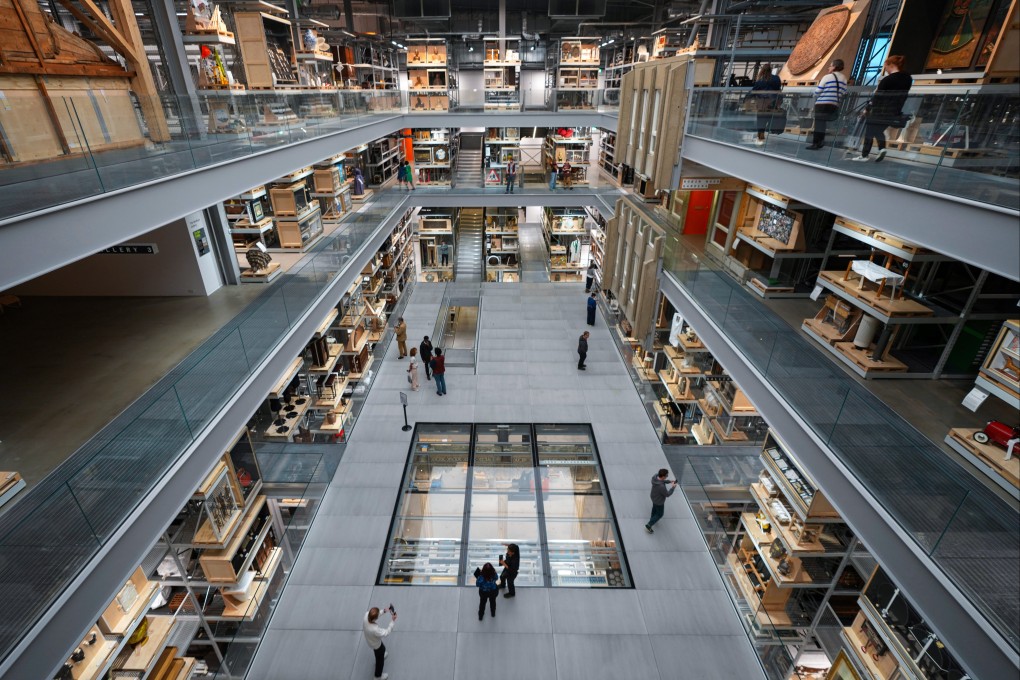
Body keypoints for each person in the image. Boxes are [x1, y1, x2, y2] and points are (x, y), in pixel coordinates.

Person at [852, 55, 912, 163]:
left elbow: (877, 97)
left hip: (880, 110)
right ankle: (882, 149)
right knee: (878, 130)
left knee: (870, 131)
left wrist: (867, 108)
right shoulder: (907, 79)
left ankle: (865, 155)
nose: (886, 70)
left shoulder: (887, 80)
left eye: (886, 67)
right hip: (894, 111)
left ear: (891, 65)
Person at [806, 59, 847, 150]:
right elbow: (844, 92)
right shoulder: (844, 78)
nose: (829, 67)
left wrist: (814, 94)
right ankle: (821, 142)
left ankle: (816, 143)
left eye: (830, 65)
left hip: (822, 104)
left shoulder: (827, 77)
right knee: (823, 124)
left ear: (834, 67)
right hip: (834, 104)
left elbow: (818, 91)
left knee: (819, 124)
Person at [749, 64, 782, 146]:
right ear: (770, 70)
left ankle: (760, 139)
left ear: (762, 70)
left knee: (761, 123)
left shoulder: (760, 80)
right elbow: (779, 90)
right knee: (769, 120)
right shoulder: (776, 79)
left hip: (762, 105)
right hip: (773, 104)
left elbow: (753, 92)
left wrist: (747, 99)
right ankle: (764, 136)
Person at [363, 606, 397, 680]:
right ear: (374, 619)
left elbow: (374, 616)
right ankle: (377, 676)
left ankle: (381, 655)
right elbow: (386, 632)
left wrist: (384, 611)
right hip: (376, 644)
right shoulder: (375, 629)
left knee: (381, 649)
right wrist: (392, 621)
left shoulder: (366, 615)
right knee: (380, 661)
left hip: (371, 640)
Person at [645, 468, 677, 534]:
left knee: (654, 508)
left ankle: (652, 519)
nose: (667, 476)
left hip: (653, 497)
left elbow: (661, 480)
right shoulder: (661, 486)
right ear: (663, 476)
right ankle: (649, 525)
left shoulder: (655, 477)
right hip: (659, 501)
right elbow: (667, 494)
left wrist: (669, 481)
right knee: (660, 514)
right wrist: (673, 487)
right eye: (666, 476)